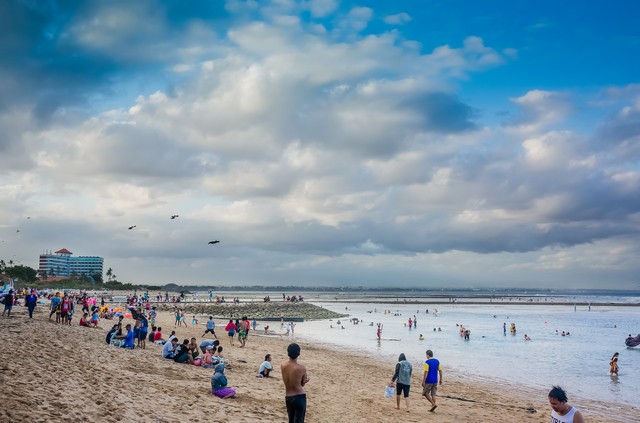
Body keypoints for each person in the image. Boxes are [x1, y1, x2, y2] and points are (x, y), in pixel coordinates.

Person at [281, 343, 309, 423]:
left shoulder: (283, 365)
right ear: (299, 354)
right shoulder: (301, 368)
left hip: (288, 397)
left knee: (291, 420)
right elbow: (301, 385)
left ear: (288, 353)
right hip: (299, 397)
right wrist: (305, 381)